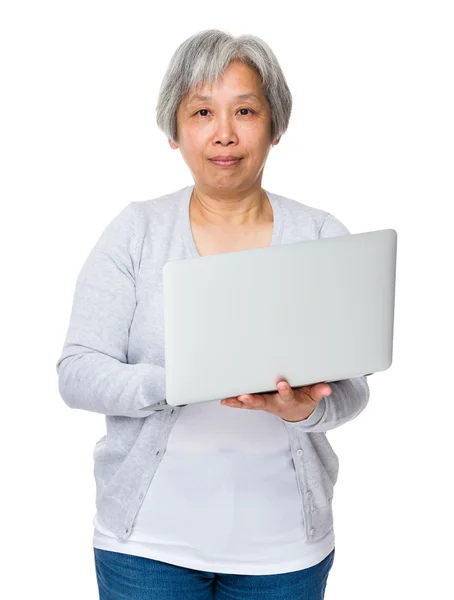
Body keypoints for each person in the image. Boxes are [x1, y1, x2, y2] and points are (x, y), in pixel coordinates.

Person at [56, 28, 370, 600]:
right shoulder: (136, 231)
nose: (224, 133)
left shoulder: (320, 236)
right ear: (175, 130)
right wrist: (181, 381)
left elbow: (351, 389)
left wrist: (302, 411)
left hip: (285, 555)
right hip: (145, 551)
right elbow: (77, 373)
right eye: (202, 110)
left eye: (245, 110)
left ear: (275, 125)